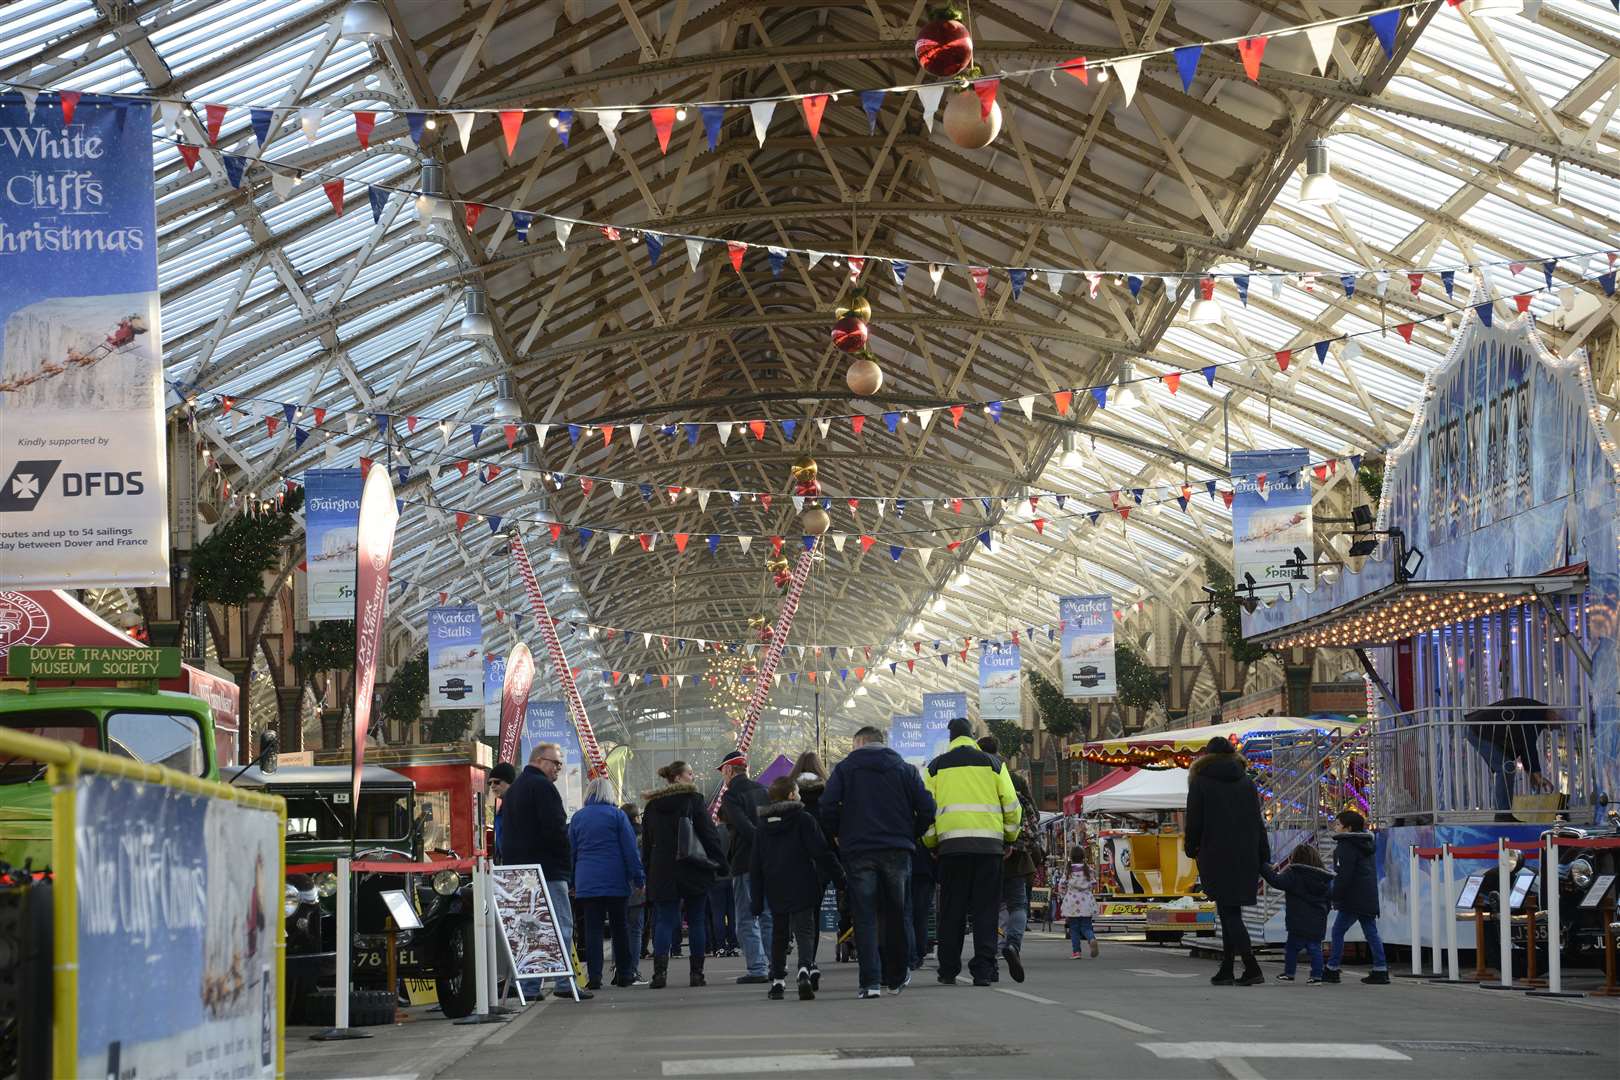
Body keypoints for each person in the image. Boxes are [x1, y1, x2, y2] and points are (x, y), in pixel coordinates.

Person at [823, 725, 936, 998]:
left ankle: (870, 983)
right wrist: (911, 832)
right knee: (896, 914)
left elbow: (827, 806)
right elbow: (928, 808)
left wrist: (839, 834)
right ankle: (896, 978)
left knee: (865, 917)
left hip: (859, 851)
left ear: (860, 742)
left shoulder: (844, 769)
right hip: (897, 851)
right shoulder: (905, 769)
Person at [921, 718, 1018, 988]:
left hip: (951, 850)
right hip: (989, 850)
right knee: (986, 911)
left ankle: (948, 969)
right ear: (973, 736)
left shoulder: (935, 767)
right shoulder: (994, 764)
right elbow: (1011, 805)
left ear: (950, 738)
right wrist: (1009, 838)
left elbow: (926, 809)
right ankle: (984, 971)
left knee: (952, 911)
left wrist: (932, 843)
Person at [499, 743, 587, 999]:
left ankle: (530, 986)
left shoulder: (514, 790)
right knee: (561, 924)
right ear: (540, 760)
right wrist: (566, 865)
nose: (559, 768)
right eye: (556, 763)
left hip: (521, 872)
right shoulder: (543, 787)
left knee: (531, 928)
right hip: (548, 869)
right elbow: (556, 829)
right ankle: (564, 982)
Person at [1184, 736, 1269, 987]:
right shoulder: (1247, 782)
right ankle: (1227, 968)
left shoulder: (1200, 782)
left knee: (1229, 912)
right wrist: (1264, 854)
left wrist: (1191, 847)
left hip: (1216, 853)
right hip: (1246, 854)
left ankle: (1252, 967)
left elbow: (1194, 820)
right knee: (1230, 910)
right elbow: (1257, 821)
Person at [752, 776, 844, 1000]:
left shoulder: (762, 827)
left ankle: (778, 981)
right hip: (803, 881)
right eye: (798, 792)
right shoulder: (804, 820)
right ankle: (804, 968)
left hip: (775, 886)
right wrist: (840, 878)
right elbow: (821, 852)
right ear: (792, 795)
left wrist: (755, 899)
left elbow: (755, 865)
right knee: (805, 930)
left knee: (780, 933)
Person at [641, 761, 727, 989]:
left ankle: (660, 974)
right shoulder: (694, 801)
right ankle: (696, 974)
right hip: (692, 867)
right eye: (690, 773)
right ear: (678, 778)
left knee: (665, 921)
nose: (693, 776)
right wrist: (720, 863)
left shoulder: (652, 806)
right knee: (697, 920)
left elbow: (647, 843)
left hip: (662, 870)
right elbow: (709, 835)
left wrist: (648, 870)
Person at [978, 735, 1043, 983]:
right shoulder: (1013, 777)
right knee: (1018, 905)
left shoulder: (974, 777)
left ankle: (989, 953)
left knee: (988, 906)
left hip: (984, 851)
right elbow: (1032, 813)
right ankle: (1013, 943)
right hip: (1016, 854)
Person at [569, 778, 644, 990]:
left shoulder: (578, 818)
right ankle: (625, 974)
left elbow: (572, 852)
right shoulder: (618, 816)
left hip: (587, 881)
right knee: (620, 928)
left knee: (592, 930)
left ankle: (594, 977)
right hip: (615, 879)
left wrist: (573, 881)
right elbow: (630, 850)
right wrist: (638, 878)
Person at [717, 749, 772, 984]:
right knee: (768, 915)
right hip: (768, 862)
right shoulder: (763, 790)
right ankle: (774, 964)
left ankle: (758, 968)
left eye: (723, 772)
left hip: (745, 861)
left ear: (729, 770)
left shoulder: (730, 795)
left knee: (747, 918)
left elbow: (743, 826)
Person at [1324, 810, 1388, 985]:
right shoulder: (1365, 844)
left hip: (1352, 897)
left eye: (1337, 824)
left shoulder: (1346, 846)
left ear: (1348, 828)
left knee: (1338, 931)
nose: (1334, 827)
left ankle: (1332, 968)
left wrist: (1334, 894)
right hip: (1367, 895)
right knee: (1371, 932)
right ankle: (1381, 969)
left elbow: (1345, 874)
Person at [1463, 698, 1556, 813]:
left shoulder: (1537, 714)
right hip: (1477, 730)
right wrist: (1536, 774)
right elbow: (1528, 745)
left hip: (1479, 729)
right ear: (1553, 713)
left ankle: (1503, 811)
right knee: (1506, 768)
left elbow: (1525, 746)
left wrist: (1533, 773)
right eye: (1558, 722)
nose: (1555, 728)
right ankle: (1502, 812)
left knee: (1507, 767)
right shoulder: (1535, 714)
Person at [1260, 843, 1332, 984]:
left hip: (1298, 919)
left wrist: (1262, 867)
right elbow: (1329, 899)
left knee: (1292, 948)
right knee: (1315, 948)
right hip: (1318, 919)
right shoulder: (1324, 877)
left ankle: (1289, 973)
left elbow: (1276, 881)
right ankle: (1317, 976)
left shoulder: (1294, 873)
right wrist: (1324, 912)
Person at [620, 801, 649, 982]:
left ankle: (619, 968)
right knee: (636, 930)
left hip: (618, 885)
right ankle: (633, 970)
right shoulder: (641, 835)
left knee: (620, 929)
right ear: (637, 817)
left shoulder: (617, 833)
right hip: (638, 884)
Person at [1058, 845, 1099, 959]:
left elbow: (1062, 884)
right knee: (1086, 926)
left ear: (1071, 857)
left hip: (1072, 901)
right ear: (1083, 857)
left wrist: (1063, 895)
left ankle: (1076, 952)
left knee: (1074, 928)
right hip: (1086, 901)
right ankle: (1091, 939)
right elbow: (1094, 884)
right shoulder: (1088, 869)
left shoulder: (1069, 870)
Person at [487, 761, 516, 861]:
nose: (492, 786)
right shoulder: (504, 806)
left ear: (509, 782)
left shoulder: (518, 805)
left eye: (497, 782)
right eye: (490, 783)